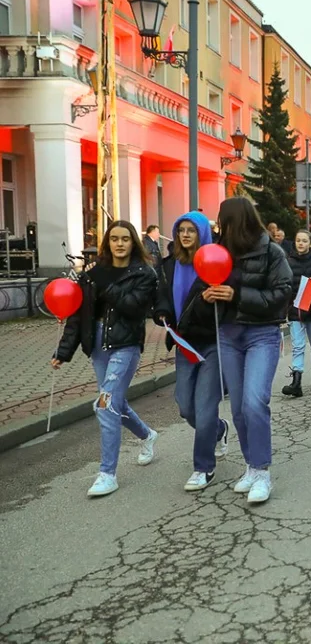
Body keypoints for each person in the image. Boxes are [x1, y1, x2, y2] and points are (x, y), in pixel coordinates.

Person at [52, 220, 159, 497]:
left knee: (104, 404)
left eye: (125, 239)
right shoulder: (93, 274)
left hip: (126, 344)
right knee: (115, 403)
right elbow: (78, 314)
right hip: (98, 343)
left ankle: (107, 473)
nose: (119, 243)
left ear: (133, 242)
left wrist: (104, 283)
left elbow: (133, 308)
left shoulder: (143, 273)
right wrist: (63, 352)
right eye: (114, 239)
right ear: (107, 243)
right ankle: (147, 435)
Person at [209, 197, 292, 503]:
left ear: (240, 221)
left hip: (262, 334)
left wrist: (238, 294)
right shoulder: (217, 252)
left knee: (255, 402)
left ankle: (263, 473)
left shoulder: (271, 251)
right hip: (228, 334)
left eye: (225, 221)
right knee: (239, 409)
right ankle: (251, 467)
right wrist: (209, 295)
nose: (222, 227)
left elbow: (283, 293)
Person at [153, 211, 230, 491]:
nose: (185, 235)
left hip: (212, 342)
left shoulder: (216, 259)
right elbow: (161, 294)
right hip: (185, 343)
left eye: (191, 230)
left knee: (205, 405)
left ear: (202, 234)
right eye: (181, 230)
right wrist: (161, 312)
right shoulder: (169, 264)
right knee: (186, 407)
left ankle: (203, 467)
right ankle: (219, 430)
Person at [282, 229, 311, 397]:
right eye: (298, 240)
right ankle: (296, 381)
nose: (301, 243)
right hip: (294, 309)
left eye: (304, 241)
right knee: (298, 346)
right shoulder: (288, 261)